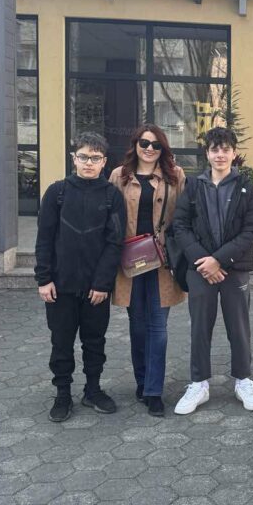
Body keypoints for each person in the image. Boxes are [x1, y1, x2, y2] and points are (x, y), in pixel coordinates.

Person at [171, 127, 253, 414]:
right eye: (215, 149)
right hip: (200, 269)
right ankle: (199, 384)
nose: (220, 154)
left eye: (225, 149)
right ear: (207, 153)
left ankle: (243, 380)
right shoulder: (193, 186)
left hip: (234, 270)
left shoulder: (246, 187)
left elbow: (251, 230)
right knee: (200, 327)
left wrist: (219, 261)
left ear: (234, 153)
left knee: (239, 327)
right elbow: (180, 226)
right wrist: (204, 261)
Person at [35, 132, 127, 423]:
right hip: (60, 287)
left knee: (94, 342)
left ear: (104, 162)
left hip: (95, 289)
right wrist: (43, 279)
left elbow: (115, 243)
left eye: (95, 158)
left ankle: (93, 390)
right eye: (84, 156)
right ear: (73, 159)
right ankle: (63, 394)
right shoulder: (57, 192)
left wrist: (102, 283)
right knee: (61, 343)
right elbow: (44, 238)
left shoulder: (112, 196)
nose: (89, 163)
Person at [109, 125, 186, 418]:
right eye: (144, 143)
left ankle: (154, 391)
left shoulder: (175, 176)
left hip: (162, 262)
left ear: (163, 149)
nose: (150, 149)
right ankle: (142, 382)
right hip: (130, 262)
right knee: (137, 326)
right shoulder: (119, 176)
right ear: (135, 144)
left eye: (156, 145)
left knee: (158, 328)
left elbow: (184, 217)